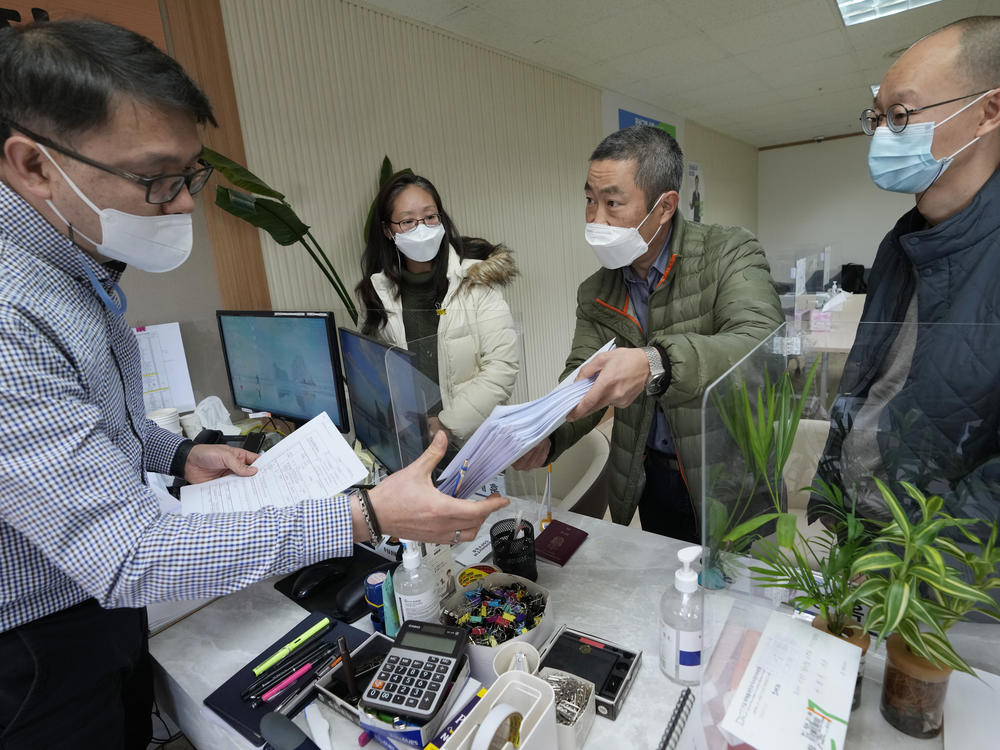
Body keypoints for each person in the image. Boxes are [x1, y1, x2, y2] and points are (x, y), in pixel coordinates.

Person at [0, 19, 506, 749]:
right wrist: (365, 515)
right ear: (35, 165)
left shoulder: (71, 265)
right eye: (157, 179)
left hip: (96, 613)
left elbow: (91, 414)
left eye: (189, 177)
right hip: (38, 642)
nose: (182, 205)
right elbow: (128, 556)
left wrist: (174, 455)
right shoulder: (11, 310)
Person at [516, 126, 783, 541]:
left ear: (664, 207)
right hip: (650, 476)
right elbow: (583, 376)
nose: (595, 219)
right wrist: (548, 435)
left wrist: (655, 362)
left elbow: (760, 347)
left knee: (736, 595)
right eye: (590, 200)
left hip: (728, 476)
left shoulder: (729, 253)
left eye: (613, 203)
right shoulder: (596, 290)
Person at [810, 16, 1000, 527]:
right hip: (860, 520)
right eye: (877, 119)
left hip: (937, 567)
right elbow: (873, 386)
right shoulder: (901, 243)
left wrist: (914, 566)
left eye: (899, 115)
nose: (882, 135)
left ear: (988, 112)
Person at [356, 172, 520, 442]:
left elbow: (501, 367)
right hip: (410, 440)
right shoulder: (378, 293)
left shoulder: (476, 281)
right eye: (408, 221)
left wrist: (446, 426)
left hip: (469, 438)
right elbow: (375, 373)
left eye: (430, 217)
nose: (422, 228)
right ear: (388, 230)